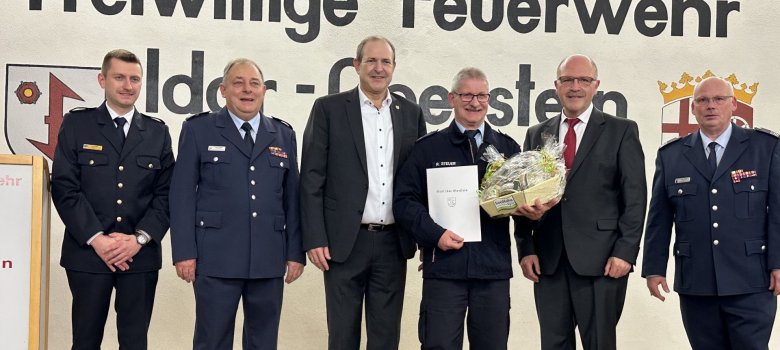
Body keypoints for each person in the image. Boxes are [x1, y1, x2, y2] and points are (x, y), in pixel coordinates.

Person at [394, 67, 555, 350]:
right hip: (444, 269)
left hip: (492, 270)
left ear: (489, 99)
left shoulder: (507, 149)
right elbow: (404, 202)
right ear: (451, 99)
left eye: (481, 95)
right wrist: (435, 234)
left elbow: (522, 208)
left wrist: (532, 222)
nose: (475, 102)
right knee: (439, 345)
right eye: (467, 95)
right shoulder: (427, 149)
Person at [300, 35, 427, 350]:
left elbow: (421, 183)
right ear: (356, 65)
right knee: (342, 336)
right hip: (344, 243)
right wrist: (315, 237)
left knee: (386, 338)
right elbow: (312, 177)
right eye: (371, 61)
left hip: (393, 243)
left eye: (385, 62)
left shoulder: (411, 113)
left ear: (394, 68)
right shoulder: (328, 109)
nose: (378, 68)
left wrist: (425, 238)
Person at [169, 58, 305, 350]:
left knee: (263, 342)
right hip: (214, 258)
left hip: (268, 258)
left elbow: (293, 198)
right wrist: (184, 252)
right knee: (212, 341)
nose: (247, 90)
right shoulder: (199, 129)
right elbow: (181, 195)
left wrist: (295, 253)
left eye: (254, 83)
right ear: (223, 90)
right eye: (238, 83)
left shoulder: (283, 134)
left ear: (264, 91)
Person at [515, 54, 647, 350]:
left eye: (583, 80)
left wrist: (625, 252)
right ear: (556, 86)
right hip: (548, 261)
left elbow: (635, 198)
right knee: (553, 343)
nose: (575, 86)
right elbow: (523, 196)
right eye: (567, 80)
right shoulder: (537, 133)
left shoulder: (621, 130)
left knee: (599, 343)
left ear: (596, 85)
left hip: (602, 262)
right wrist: (526, 248)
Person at [642, 76, 780, 350]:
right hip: (697, 281)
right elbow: (659, 218)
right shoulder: (672, 155)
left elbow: (777, 211)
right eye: (703, 100)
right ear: (693, 108)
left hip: (751, 281)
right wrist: (654, 269)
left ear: (734, 105)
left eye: (719, 99)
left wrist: (778, 262)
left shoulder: (765, 147)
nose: (711, 106)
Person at [51, 49, 174, 350]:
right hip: (88, 253)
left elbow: (166, 194)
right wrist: (98, 239)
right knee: (85, 340)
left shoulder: (157, 132)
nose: (128, 85)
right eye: (119, 77)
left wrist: (139, 239)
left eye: (135, 79)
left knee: (134, 342)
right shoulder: (78, 125)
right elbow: (65, 187)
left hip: (139, 256)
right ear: (102, 79)